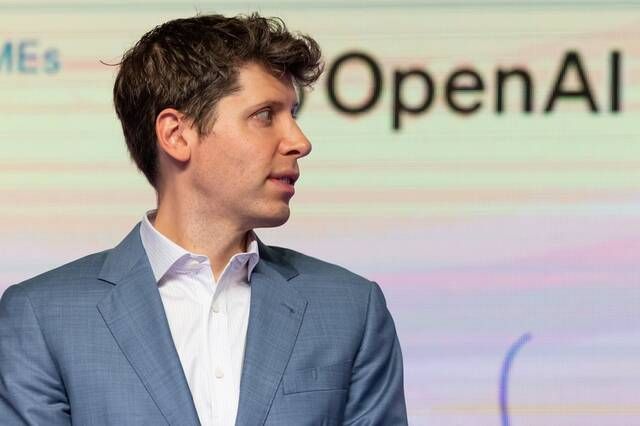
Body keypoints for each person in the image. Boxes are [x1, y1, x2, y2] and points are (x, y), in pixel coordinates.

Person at [0, 13, 407, 426]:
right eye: (265, 115)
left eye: (294, 115)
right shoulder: (42, 317)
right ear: (176, 135)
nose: (300, 142)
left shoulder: (351, 309)